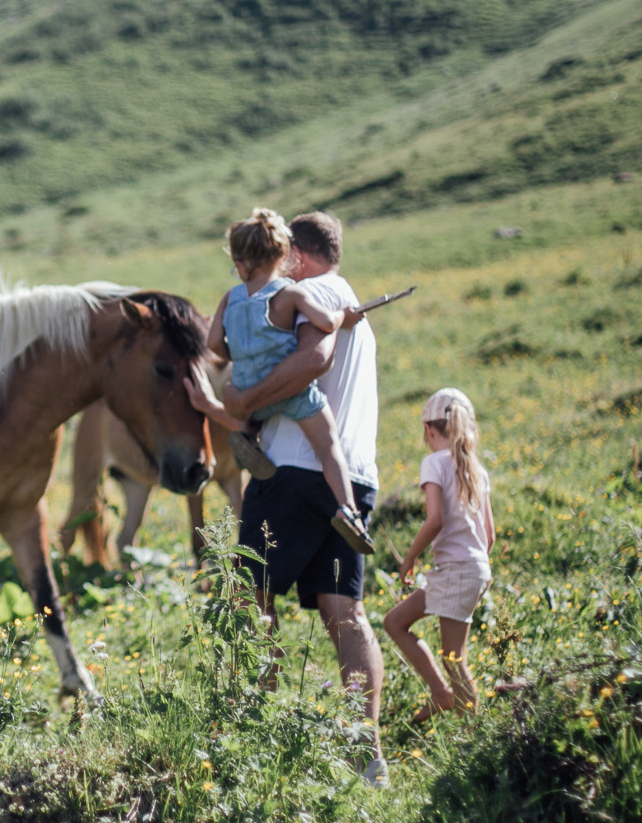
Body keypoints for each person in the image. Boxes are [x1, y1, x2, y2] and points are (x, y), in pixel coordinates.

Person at [187, 210, 388, 786]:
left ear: (295, 253)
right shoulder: (350, 303)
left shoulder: (306, 294)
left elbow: (313, 360)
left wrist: (241, 402)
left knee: (251, 599)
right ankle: (368, 754)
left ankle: (253, 737)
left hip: (291, 472)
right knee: (346, 612)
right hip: (352, 473)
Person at [205, 208, 373, 556]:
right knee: (328, 444)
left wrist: (238, 352)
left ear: (240, 263)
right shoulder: (289, 294)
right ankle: (348, 510)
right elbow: (325, 322)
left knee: (247, 409)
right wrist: (345, 317)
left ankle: (247, 436)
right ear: (284, 256)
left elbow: (214, 343)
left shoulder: (230, 298)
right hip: (293, 396)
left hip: (251, 396)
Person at [382, 388, 497, 723]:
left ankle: (472, 734)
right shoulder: (475, 468)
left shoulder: (433, 462)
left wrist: (409, 559)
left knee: (453, 658)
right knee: (395, 622)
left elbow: (435, 520)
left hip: (457, 570)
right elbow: (489, 535)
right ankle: (441, 693)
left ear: (429, 430)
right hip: (471, 568)